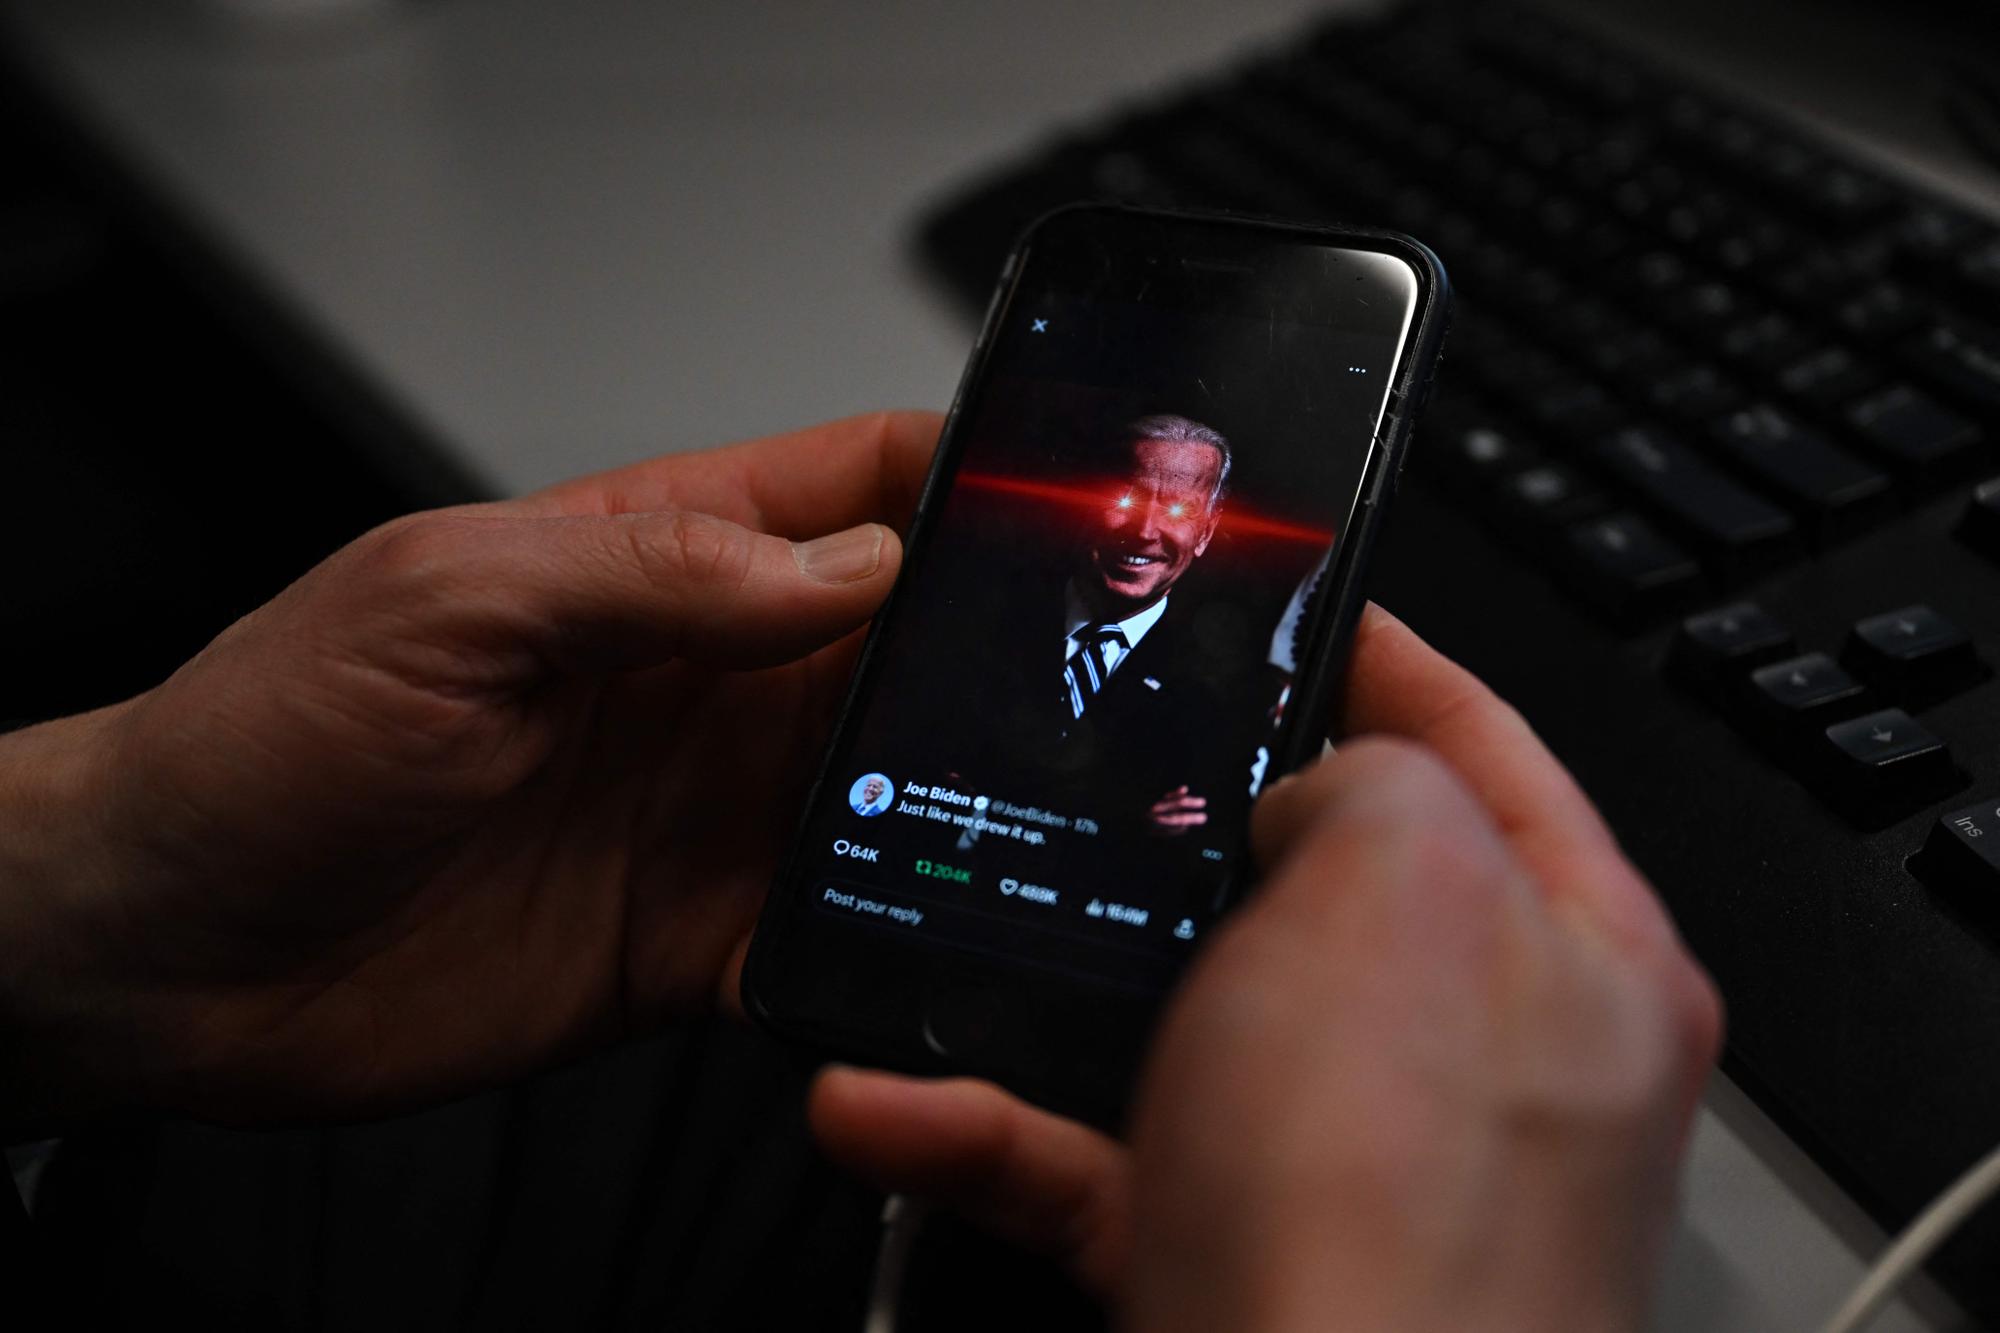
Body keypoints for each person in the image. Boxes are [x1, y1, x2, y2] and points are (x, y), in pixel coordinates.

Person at [0, 411, 1720, 1329]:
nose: (1141, 528)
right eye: (1123, 491)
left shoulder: (1231, 688)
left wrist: (79, 877)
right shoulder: (960, 635)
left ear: (1206, 533)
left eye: (1179, 512)